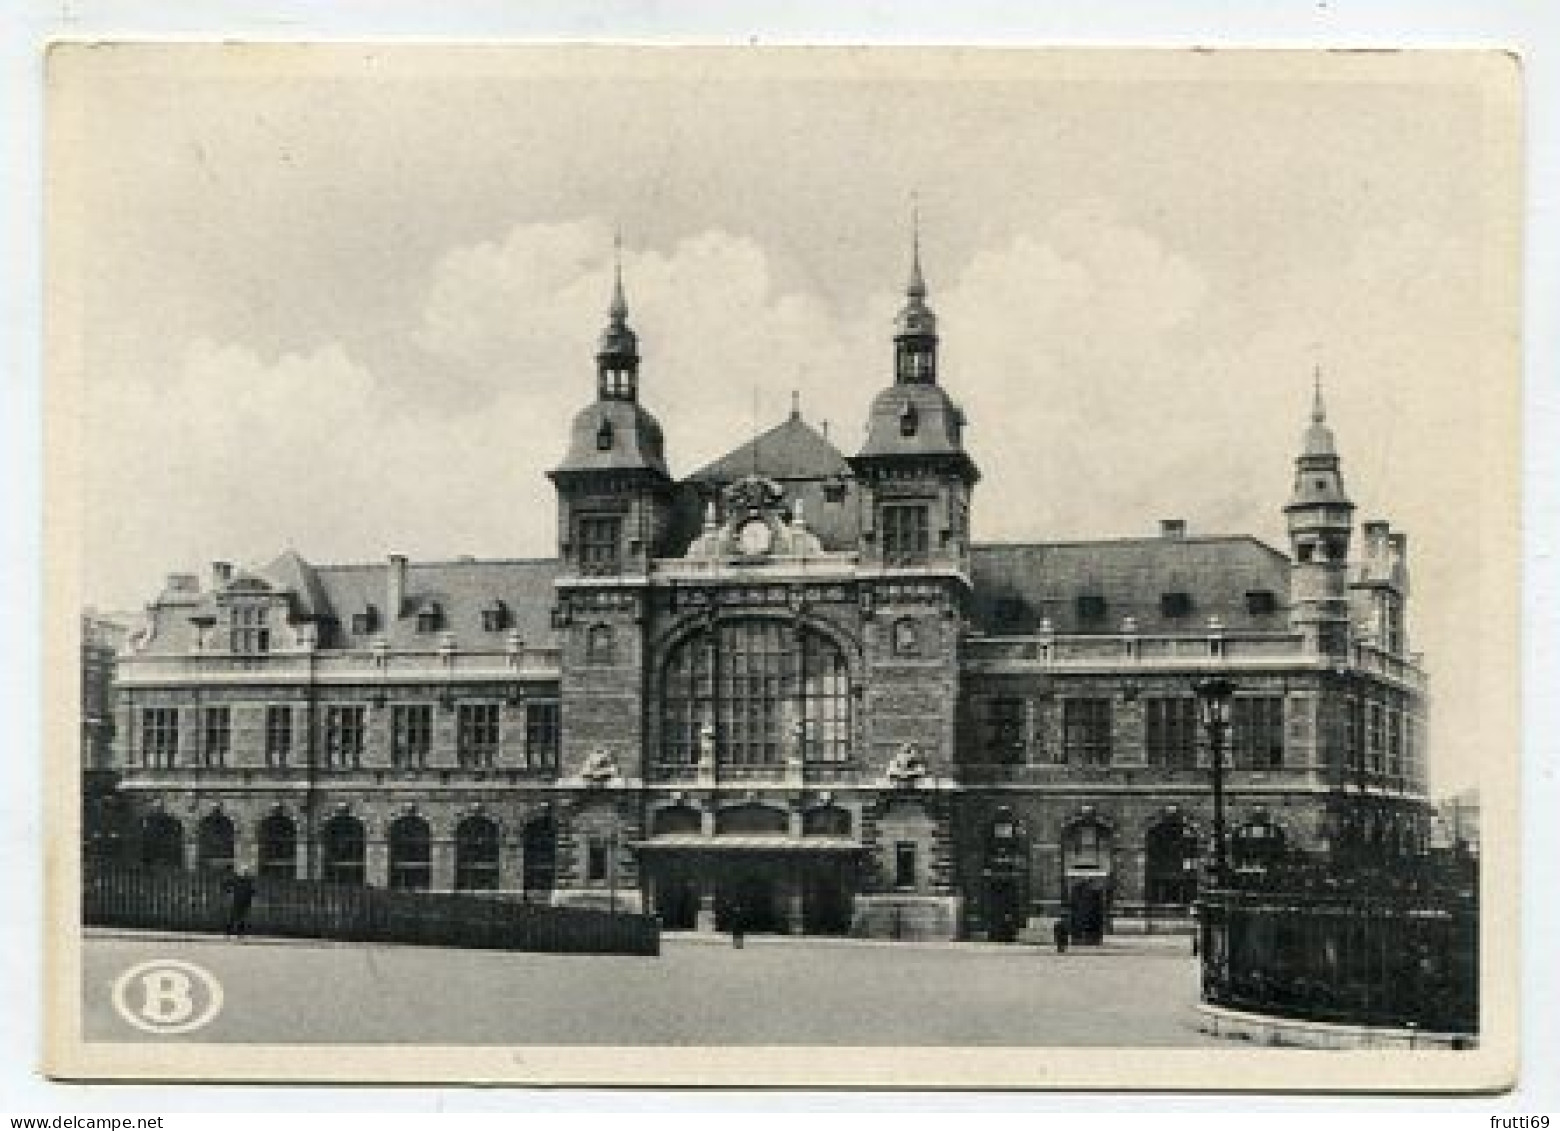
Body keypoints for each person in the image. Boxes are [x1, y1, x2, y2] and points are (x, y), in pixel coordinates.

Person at [223, 868, 256, 938]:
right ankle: (233, 932)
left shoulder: (244, 884)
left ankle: (237, 932)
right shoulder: (239, 883)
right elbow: (252, 892)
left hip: (240, 902)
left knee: (239, 918)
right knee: (237, 918)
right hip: (238, 902)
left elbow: (252, 892)